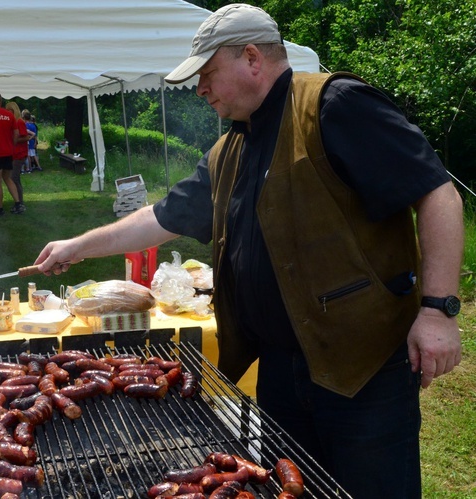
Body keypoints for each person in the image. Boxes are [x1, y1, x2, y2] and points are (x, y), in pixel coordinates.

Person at [33, 5, 463, 498]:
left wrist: (438, 311)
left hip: (360, 371)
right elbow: (159, 218)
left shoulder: (335, 105)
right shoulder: (231, 149)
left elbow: (437, 194)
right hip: (280, 372)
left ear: (252, 58)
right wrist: (79, 245)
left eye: (208, 74)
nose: (200, 89)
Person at [5, 101, 33, 213]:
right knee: (15, 179)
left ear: (13, 111)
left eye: (9, 111)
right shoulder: (13, 122)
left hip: (19, 154)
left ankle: (19, 204)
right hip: (14, 154)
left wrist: (14, 141)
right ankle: (18, 202)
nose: (7, 113)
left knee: (14, 178)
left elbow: (26, 137)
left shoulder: (19, 122)